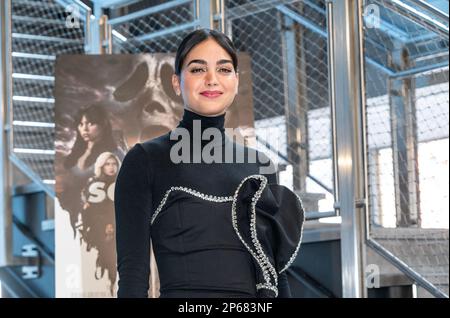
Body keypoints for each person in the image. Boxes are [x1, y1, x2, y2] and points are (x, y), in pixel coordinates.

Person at [115, 29, 304, 298]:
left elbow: (274, 273)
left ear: (236, 81)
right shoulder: (146, 160)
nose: (212, 79)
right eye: (197, 69)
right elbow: (133, 275)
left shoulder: (261, 166)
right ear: (176, 82)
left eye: (224, 69)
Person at [59, 104, 125, 238]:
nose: (85, 129)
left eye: (90, 123)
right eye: (81, 124)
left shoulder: (114, 155)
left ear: (102, 125)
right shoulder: (76, 153)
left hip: (105, 218)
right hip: (75, 216)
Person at [80, 152, 121, 296]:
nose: (111, 167)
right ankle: (110, 280)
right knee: (107, 254)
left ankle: (113, 281)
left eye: (114, 164)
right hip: (98, 228)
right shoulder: (93, 182)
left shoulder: (123, 180)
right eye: (107, 164)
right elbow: (89, 209)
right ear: (101, 166)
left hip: (121, 227)